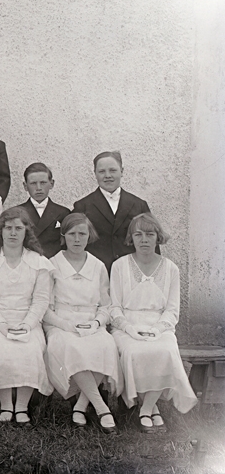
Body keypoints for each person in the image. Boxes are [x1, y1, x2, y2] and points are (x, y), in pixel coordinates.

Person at [110, 213, 197, 432]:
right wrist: (129, 328)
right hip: (127, 326)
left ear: (158, 237)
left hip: (160, 326)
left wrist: (157, 329)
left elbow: (172, 310)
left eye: (149, 234)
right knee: (133, 352)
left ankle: (146, 409)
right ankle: (152, 408)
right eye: (138, 234)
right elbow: (114, 308)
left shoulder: (171, 268)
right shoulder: (119, 266)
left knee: (166, 351)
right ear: (131, 237)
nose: (144, 240)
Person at [0, 207, 54, 424]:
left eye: (18, 228)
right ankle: (6, 405)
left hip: (28, 319)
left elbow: (41, 300)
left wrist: (27, 325)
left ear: (26, 231)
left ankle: (21, 406)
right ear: (0, 231)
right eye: (8, 228)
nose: (12, 233)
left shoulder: (38, 262)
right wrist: (1, 325)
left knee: (30, 351)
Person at [44, 213, 121, 433]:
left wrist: (97, 322)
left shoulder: (98, 266)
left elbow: (105, 305)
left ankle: (80, 405)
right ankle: (101, 407)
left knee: (107, 345)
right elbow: (45, 308)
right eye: (71, 234)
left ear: (90, 236)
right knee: (71, 346)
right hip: (61, 323)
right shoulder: (52, 265)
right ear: (63, 236)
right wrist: (65, 325)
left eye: (82, 234)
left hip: (90, 323)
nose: (77, 239)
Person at [73, 151, 154, 273]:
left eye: (112, 170)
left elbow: (152, 241)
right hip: (96, 273)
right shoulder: (82, 206)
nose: (107, 175)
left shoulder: (139, 205)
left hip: (131, 272)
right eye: (101, 171)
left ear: (122, 171)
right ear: (95, 173)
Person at [16, 162, 71, 258]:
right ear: (25, 186)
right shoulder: (17, 213)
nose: (38, 188)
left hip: (54, 262)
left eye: (43, 183)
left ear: (51, 184)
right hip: (26, 262)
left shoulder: (63, 213)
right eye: (33, 183)